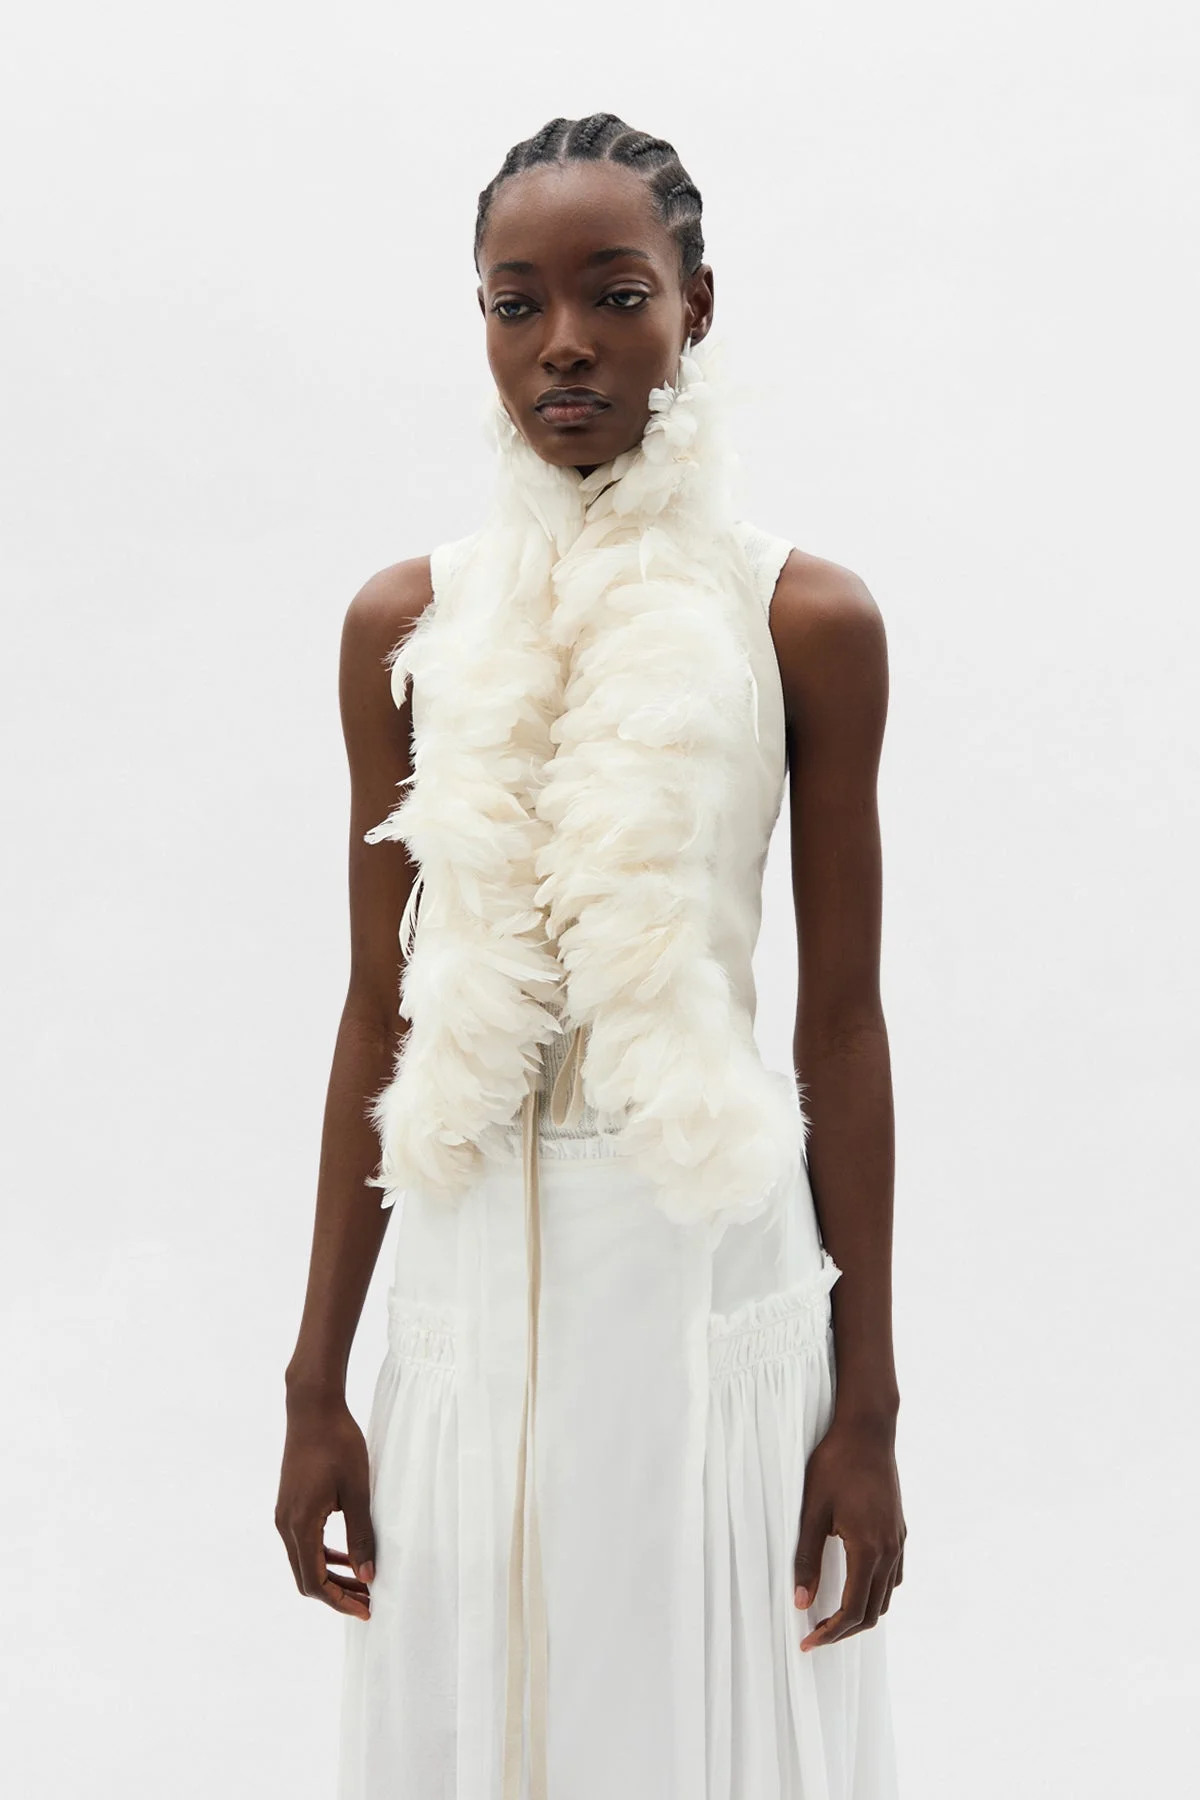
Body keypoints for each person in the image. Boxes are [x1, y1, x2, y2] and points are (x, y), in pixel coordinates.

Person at [276, 112, 905, 1800]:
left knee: (696, 1720)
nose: (565, 342)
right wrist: (316, 1381)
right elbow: (379, 1014)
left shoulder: (804, 621)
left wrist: (867, 1410)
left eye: (617, 294)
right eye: (517, 303)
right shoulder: (403, 623)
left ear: (697, 304)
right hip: (464, 1283)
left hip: (706, 1275)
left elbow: (842, 1025)